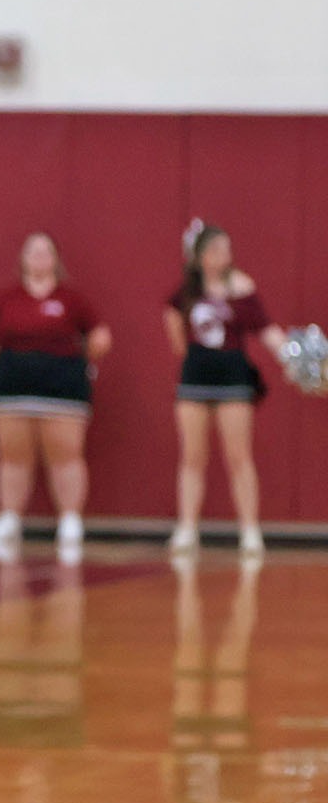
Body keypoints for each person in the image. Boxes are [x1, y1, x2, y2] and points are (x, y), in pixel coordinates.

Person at [0, 233, 110, 560]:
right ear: (22, 259)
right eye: (32, 251)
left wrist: (77, 364)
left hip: (62, 387)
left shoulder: (72, 300)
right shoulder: (6, 298)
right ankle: (9, 518)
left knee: (65, 455)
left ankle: (70, 520)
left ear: (55, 259)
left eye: (45, 251)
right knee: (12, 455)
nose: (38, 257)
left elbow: (100, 337)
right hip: (12, 387)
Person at [164, 223, 288, 555]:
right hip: (194, 380)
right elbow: (174, 326)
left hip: (234, 380)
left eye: (227, 249)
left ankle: (249, 530)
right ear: (200, 256)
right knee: (192, 457)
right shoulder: (187, 292)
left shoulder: (242, 288)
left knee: (239, 456)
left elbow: (267, 330)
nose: (224, 256)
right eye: (216, 250)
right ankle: (187, 528)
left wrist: (295, 355)